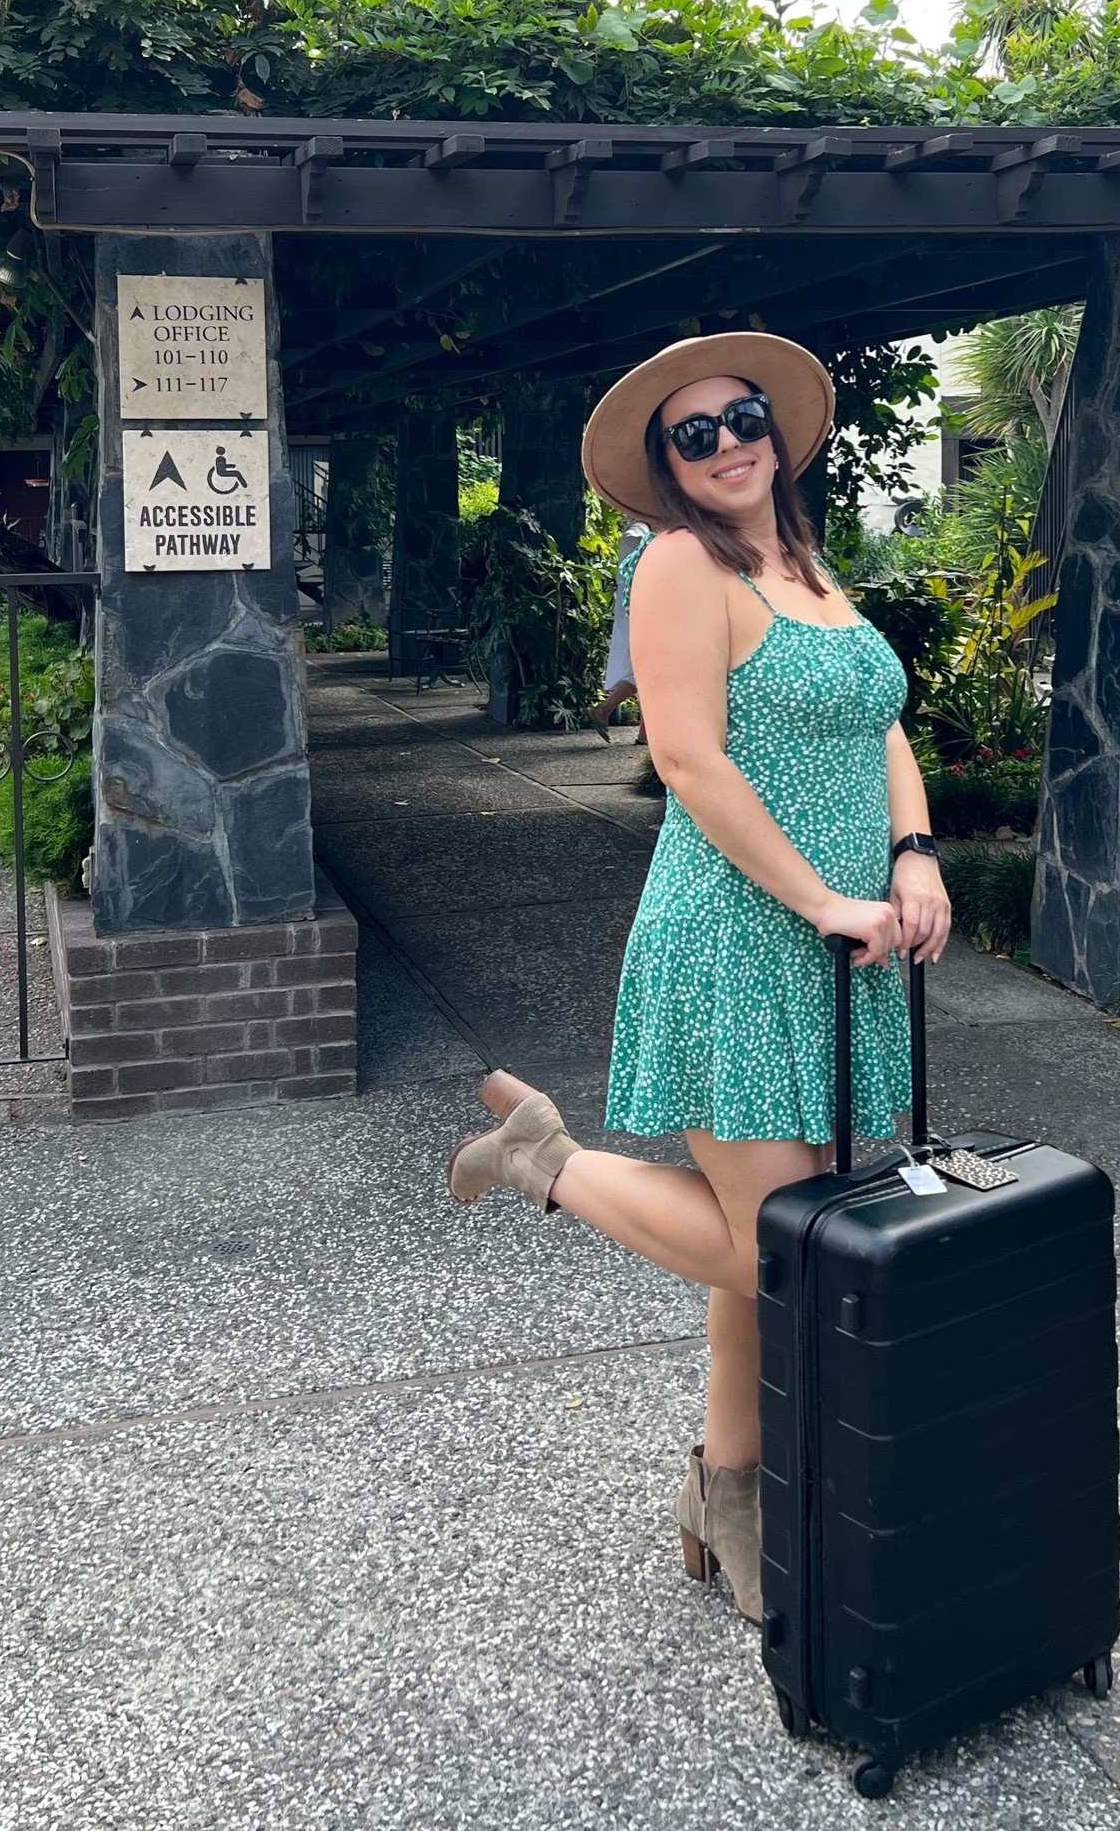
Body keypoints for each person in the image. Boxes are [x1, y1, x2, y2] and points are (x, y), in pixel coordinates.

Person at [446, 334, 951, 1624]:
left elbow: (882, 721)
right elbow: (688, 759)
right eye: (694, 432)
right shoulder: (680, 562)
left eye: (744, 416)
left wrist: (914, 850)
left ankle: (729, 1492)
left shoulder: (806, 564)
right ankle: (546, 1159)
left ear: (776, 430)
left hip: (839, 946)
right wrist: (823, 897)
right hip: (738, 936)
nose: (728, 441)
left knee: (768, 1242)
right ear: (667, 466)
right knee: (778, 1241)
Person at [585, 520, 650, 740]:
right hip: (643, 608)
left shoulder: (643, 532)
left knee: (643, 666)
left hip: (641, 606)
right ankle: (604, 709)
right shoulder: (638, 533)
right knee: (647, 667)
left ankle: (645, 731)